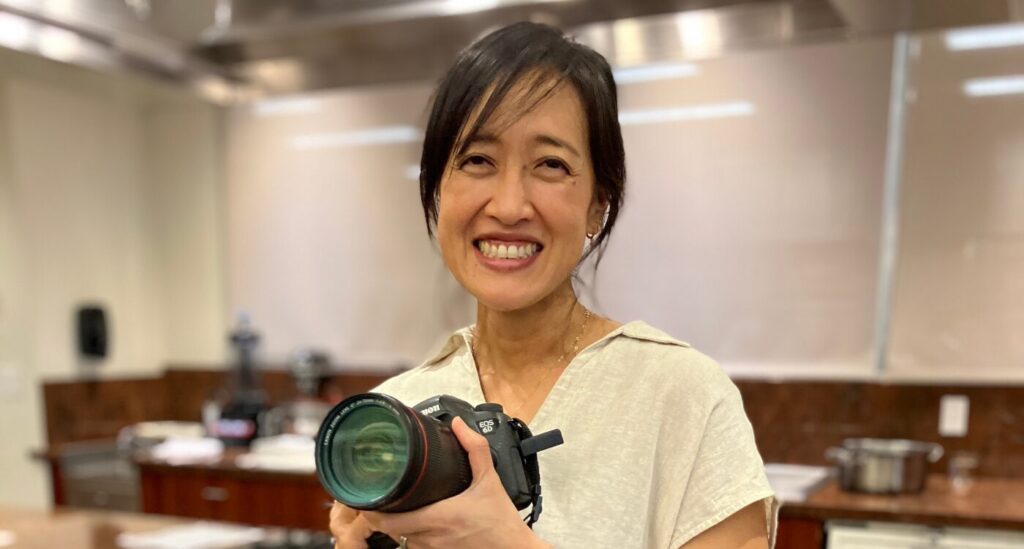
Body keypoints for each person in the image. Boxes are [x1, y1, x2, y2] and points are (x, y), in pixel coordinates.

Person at [329, 21, 776, 549]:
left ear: (596, 206)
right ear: (436, 192)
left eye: (550, 164)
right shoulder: (394, 415)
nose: (510, 205)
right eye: (477, 160)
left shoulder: (683, 397)